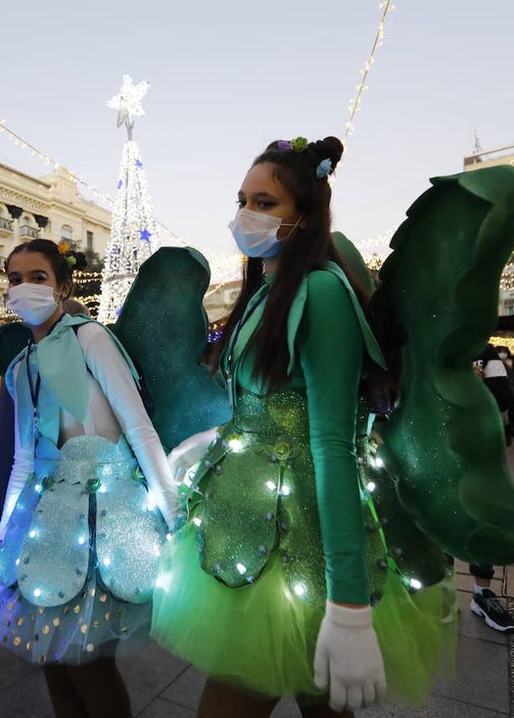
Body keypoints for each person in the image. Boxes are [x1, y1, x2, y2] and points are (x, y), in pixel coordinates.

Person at [151, 136, 453, 717]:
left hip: (308, 538)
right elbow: (260, 407)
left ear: (305, 217)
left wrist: (348, 608)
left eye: (265, 203)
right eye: (243, 199)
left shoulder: (319, 291)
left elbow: (333, 443)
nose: (246, 213)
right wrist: (211, 441)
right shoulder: (262, 294)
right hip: (247, 527)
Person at [0, 238, 179, 717]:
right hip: (43, 519)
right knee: (51, 656)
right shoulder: (21, 364)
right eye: (15, 279)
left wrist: (173, 513)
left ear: (63, 286)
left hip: (103, 515)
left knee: (88, 662)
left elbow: (138, 427)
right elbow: (24, 457)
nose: (24, 288)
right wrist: (4, 538)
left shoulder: (91, 339)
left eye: (37, 278)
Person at [465, 346, 514, 633]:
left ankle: (482, 591)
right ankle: (439, 587)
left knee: (482, 514)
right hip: (428, 445)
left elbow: (502, 395)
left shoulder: (483, 352)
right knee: (431, 513)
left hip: (479, 443)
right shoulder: (416, 342)